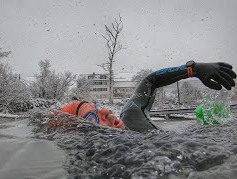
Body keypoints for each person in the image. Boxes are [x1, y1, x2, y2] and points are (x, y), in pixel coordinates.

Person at [61, 61, 237, 132]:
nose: (106, 111)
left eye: (98, 108)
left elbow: (149, 81)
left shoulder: (131, 115)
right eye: (92, 116)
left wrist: (193, 69)